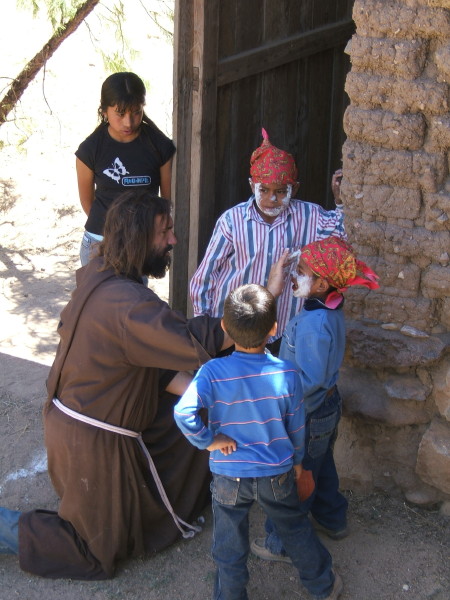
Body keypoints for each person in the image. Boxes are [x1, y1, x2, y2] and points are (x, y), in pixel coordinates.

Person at [0, 189, 233, 580]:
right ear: (142, 237)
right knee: (93, 550)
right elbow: (192, 338)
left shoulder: (103, 272)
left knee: (192, 415)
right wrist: (259, 309)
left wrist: (200, 392)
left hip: (77, 427)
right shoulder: (127, 304)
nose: (173, 240)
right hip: (90, 445)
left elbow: (146, 360)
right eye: (166, 232)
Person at [174, 284, 343, 600]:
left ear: (225, 327)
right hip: (275, 472)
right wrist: (297, 464)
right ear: (274, 329)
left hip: (228, 474)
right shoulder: (287, 374)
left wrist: (209, 442)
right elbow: (296, 428)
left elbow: (184, 413)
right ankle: (322, 585)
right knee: (293, 529)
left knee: (228, 542)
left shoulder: (212, 372)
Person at [251, 236, 379, 562]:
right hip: (325, 409)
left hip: (307, 414)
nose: (295, 275)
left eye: (302, 270)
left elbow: (311, 380)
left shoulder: (316, 325)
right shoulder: (325, 308)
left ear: (322, 282)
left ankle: (280, 541)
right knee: (320, 465)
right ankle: (333, 519)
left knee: (298, 478)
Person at [189, 128, 346, 352]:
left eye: (281, 191)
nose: (272, 198)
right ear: (252, 186)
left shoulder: (311, 217)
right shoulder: (232, 221)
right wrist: (206, 330)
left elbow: (341, 240)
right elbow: (204, 277)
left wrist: (340, 203)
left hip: (282, 333)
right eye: (264, 190)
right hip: (234, 332)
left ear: (295, 189)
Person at [76, 71, 176, 265]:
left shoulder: (159, 146)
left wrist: (142, 236)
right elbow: (88, 201)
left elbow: (165, 199)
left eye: (136, 112)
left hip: (140, 244)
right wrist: (114, 231)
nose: (128, 122)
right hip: (99, 242)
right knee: (96, 295)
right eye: (120, 114)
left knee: (133, 294)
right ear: (104, 111)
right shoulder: (89, 150)